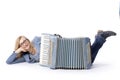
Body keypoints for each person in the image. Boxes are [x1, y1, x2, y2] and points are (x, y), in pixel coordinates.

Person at [6, 30, 116, 64]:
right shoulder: (26, 57)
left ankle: (100, 38)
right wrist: (18, 51)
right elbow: (9, 61)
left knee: (87, 60)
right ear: (20, 46)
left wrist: (55, 37)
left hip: (60, 49)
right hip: (56, 61)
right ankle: (100, 37)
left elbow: (49, 37)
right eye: (22, 43)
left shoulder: (36, 40)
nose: (25, 43)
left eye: (25, 40)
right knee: (88, 60)